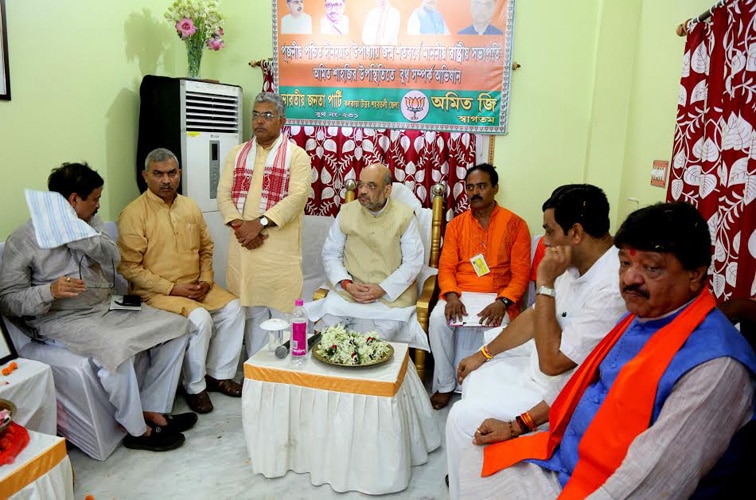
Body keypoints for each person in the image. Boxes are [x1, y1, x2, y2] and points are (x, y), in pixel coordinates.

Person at [457, 201, 756, 499]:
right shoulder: (640, 318)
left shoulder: (716, 367)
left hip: (603, 487)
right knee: (472, 458)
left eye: (650, 267)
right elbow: (583, 385)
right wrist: (517, 426)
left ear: (694, 274)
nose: (629, 279)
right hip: (568, 460)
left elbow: (649, 484)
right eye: (625, 263)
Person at [444, 184, 627, 497]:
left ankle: (468, 483)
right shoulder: (578, 265)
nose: (546, 241)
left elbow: (554, 364)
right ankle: (468, 471)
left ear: (577, 233)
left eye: (550, 231)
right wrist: (483, 355)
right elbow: (533, 317)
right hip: (536, 371)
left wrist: (544, 282)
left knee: (461, 417)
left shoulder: (610, 288)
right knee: (477, 373)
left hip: (559, 396)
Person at [0, 162, 195, 452]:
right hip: (60, 318)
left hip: (104, 306)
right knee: (115, 349)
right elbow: (7, 300)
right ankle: (137, 431)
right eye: (95, 199)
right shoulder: (24, 239)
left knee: (177, 327)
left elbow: (112, 257)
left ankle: (153, 407)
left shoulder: (90, 224)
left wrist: (80, 236)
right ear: (74, 200)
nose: (98, 204)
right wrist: (49, 291)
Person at [117, 148, 245, 415]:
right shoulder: (134, 213)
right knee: (201, 319)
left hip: (195, 287)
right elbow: (129, 267)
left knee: (234, 308)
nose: (166, 180)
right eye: (158, 174)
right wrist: (173, 288)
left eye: (171, 173)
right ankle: (194, 387)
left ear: (179, 174)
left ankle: (218, 374)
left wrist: (206, 281)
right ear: (145, 176)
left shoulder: (189, 206)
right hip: (156, 293)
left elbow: (206, 248)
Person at [428, 163, 531, 410]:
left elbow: (520, 275)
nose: (475, 192)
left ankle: (485, 386)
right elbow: (446, 268)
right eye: (470, 187)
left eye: (482, 186)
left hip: (497, 296)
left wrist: (502, 302)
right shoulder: (456, 226)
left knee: (502, 325)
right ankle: (445, 385)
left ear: (495, 188)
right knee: (437, 320)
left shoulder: (516, 225)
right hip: (460, 294)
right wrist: (451, 296)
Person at [217, 92, 312, 358]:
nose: (260, 121)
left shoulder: (297, 156)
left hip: (279, 253)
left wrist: (257, 225)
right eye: (256, 114)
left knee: (283, 313)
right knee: (252, 313)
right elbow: (223, 196)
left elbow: (296, 199)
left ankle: (283, 375)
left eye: (267, 115)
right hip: (245, 247)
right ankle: (257, 372)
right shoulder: (237, 154)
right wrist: (242, 227)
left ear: (282, 120)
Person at [303, 163, 428, 348]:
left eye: (371, 186)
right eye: (361, 184)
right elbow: (331, 254)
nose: (362, 191)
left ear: (387, 190)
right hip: (348, 294)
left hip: (389, 299)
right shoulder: (347, 211)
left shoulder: (405, 216)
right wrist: (346, 284)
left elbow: (413, 263)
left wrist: (382, 289)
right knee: (328, 339)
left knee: (372, 346)